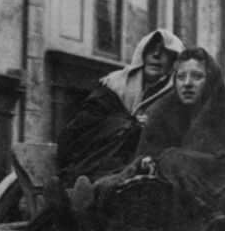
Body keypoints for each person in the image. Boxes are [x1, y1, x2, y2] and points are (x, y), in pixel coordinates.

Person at [88, 47, 225, 231]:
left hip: (224, 190)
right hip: (176, 195)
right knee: (169, 161)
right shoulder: (162, 110)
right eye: (181, 77)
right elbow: (146, 155)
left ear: (210, 80)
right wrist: (149, 162)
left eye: (197, 76)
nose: (187, 83)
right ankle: (217, 225)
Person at [57, 29, 184, 186]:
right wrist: (128, 124)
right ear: (142, 54)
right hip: (100, 159)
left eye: (164, 51)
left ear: (174, 62)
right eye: (151, 49)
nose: (156, 55)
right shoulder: (116, 84)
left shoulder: (177, 97)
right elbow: (80, 128)